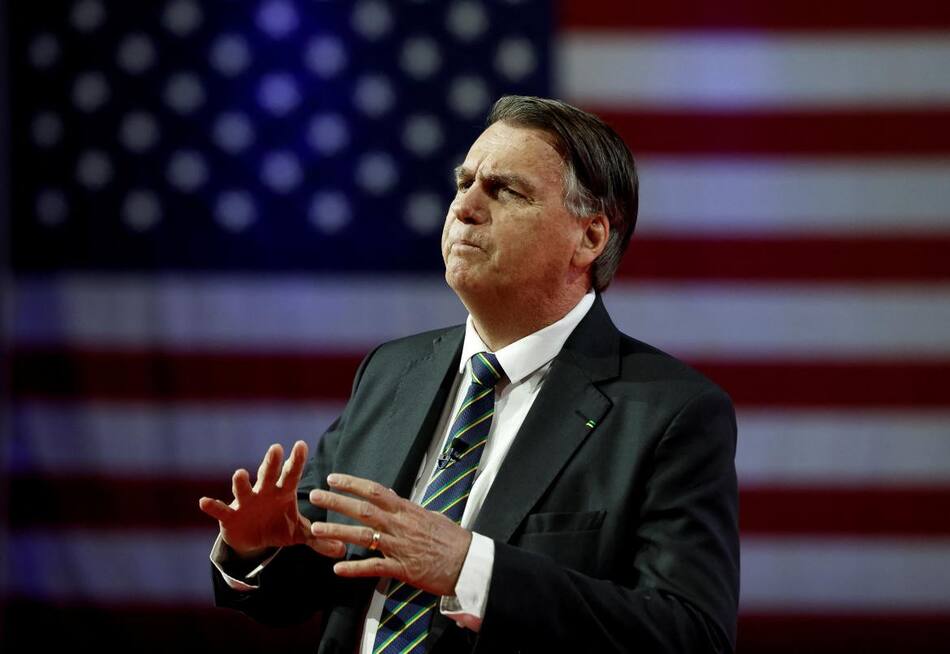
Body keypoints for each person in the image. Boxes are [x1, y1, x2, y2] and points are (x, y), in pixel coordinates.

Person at [199, 95, 739, 653]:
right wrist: (258, 552)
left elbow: (690, 635)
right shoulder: (392, 371)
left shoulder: (669, 413)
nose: (464, 208)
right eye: (463, 184)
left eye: (505, 190)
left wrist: (471, 569)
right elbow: (309, 588)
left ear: (590, 239)